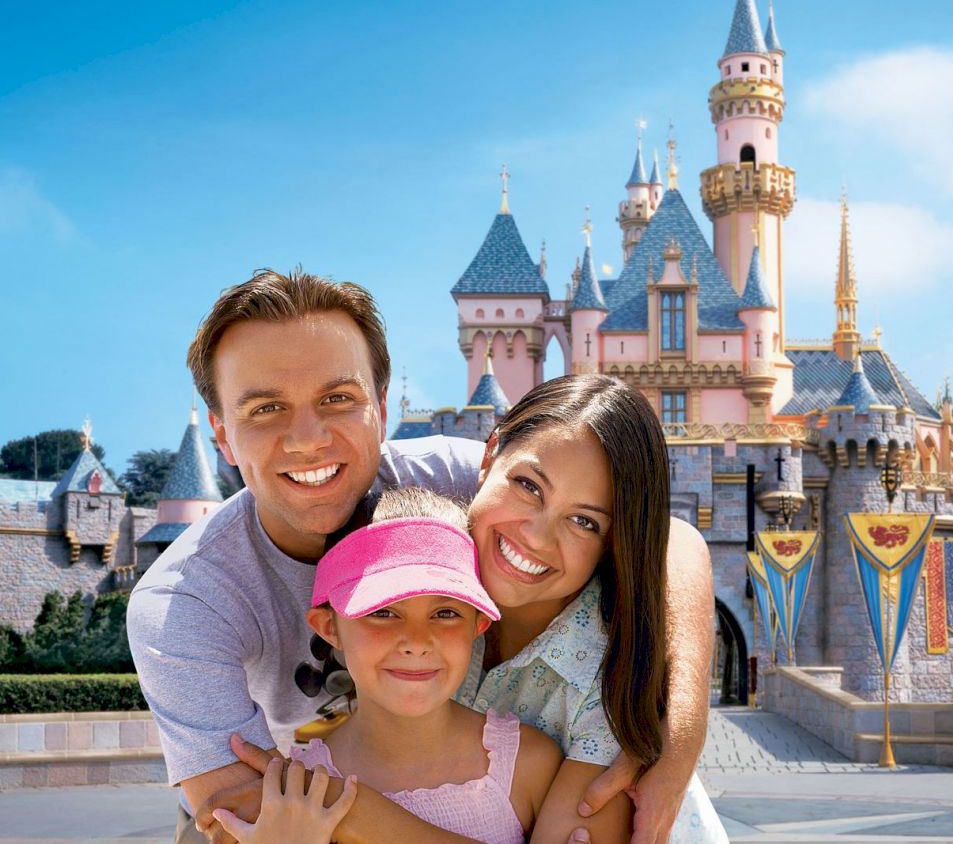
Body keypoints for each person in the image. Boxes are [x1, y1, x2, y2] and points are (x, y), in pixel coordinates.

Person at [127, 269, 714, 843]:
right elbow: (240, 814)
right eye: (265, 408)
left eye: (337, 398)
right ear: (222, 433)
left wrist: (679, 734)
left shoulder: (458, 488)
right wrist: (329, 800)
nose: (307, 438)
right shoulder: (183, 604)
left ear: (380, 407)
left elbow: (668, 536)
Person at [208, 375, 727, 842]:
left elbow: (678, 539)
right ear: (488, 455)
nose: (536, 536)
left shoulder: (612, 674)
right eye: (528, 487)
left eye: (585, 522)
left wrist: (338, 802)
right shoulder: (431, 560)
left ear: (616, 540)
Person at [212, 487, 563, 843]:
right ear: (329, 627)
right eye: (382, 612)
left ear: (478, 625)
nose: (416, 641)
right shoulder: (297, 794)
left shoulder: (530, 764)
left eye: (445, 613)